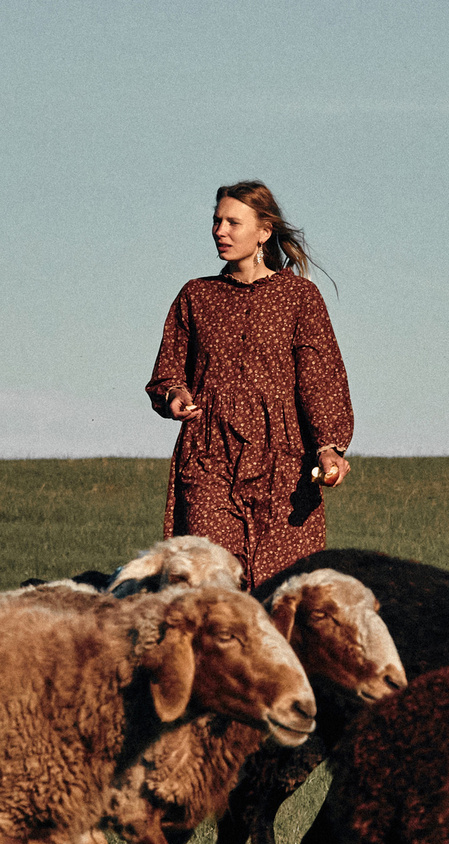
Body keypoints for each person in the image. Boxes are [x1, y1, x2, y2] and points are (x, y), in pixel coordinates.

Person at [145, 180, 355, 585]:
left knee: (282, 592)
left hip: (284, 463)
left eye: (232, 223)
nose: (219, 231)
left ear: (263, 231)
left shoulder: (299, 297)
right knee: (210, 586)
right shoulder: (196, 295)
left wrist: (329, 446)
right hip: (208, 455)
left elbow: (320, 379)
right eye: (216, 221)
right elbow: (168, 370)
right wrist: (175, 393)